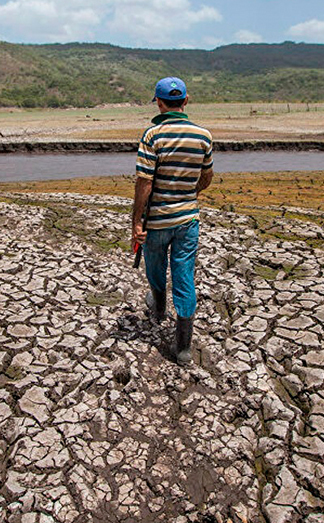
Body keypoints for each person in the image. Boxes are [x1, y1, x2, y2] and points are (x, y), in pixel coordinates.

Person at [130, 77, 214, 366]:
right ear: (186, 101)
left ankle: (158, 308)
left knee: (155, 267)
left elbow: (144, 183)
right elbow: (206, 177)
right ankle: (183, 347)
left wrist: (136, 221)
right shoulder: (203, 136)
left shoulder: (152, 136)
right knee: (184, 275)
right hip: (187, 220)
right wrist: (188, 195)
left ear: (159, 103)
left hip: (157, 221)